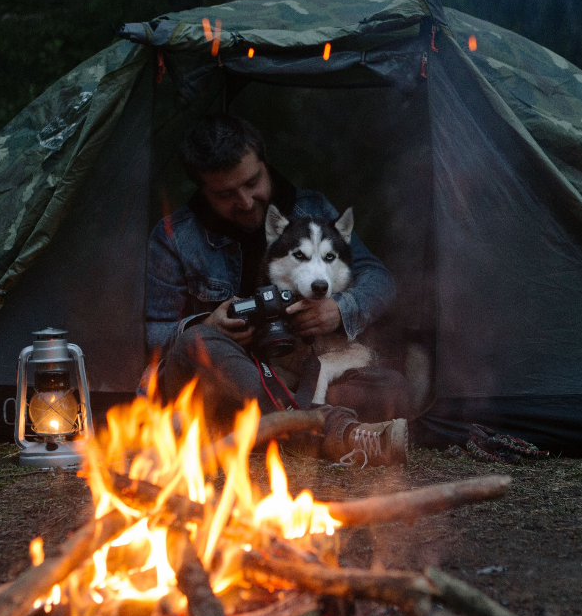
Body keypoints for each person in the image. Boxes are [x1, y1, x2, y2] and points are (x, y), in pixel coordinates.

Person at [145, 115, 411, 466]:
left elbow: (378, 278)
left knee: (393, 388)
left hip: (297, 377)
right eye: (225, 194)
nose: (244, 201)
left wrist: (339, 309)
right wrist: (207, 325)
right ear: (202, 190)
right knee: (194, 344)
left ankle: (269, 429)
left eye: (252, 182)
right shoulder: (174, 237)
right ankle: (321, 431)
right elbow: (153, 333)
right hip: (226, 377)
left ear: (265, 162)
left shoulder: (312, 210)